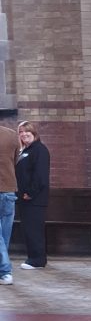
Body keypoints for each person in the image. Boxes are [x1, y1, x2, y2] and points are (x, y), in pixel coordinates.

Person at [15, 121, 50, 269]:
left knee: (34, 229)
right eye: (21, 132)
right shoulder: (25, 150)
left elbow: (40, 176)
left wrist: (30, 193)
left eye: (26, 131)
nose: (23, 134)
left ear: (34, 133)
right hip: (25, 198)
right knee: (29, 229)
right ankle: (33, 257)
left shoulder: (39, 150)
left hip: (34, 198)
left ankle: (37, 260)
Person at [0, 117, 19, 285]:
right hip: (9, 189)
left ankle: (5, 272)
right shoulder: (12, 135)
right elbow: (16, 160)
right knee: (4, 235)